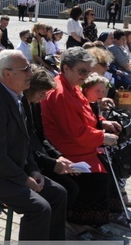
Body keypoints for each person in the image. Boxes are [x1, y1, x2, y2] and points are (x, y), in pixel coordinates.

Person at [0, 50, 68, 245]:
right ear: (7, 74)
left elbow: (24, 141)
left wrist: (33, 170)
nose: (30, 73)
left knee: (59, 193)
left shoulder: (15, 96)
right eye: (26, 69)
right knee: (40, 208)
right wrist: (25, 180)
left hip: (10, 169)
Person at [41, 47, 121, 233]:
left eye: (88, 71)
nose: (86, 76)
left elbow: (87, 115)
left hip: (80, 143)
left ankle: (101, 216)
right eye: (82, 71)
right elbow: (74, 133)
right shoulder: (60, 92)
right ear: (66, 68)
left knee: (110, 167)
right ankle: (77, 221)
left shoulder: (73, 87)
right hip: (66, 149)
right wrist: (102, 136)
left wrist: (103, 123)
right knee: (98, 176)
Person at [23, 66, 80, 214]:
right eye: (42, 93)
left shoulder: (35, 104)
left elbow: (41, 137)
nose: (44, 97)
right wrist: (52, 163)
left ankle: (59, 226)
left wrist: (58, 156)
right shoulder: (21, 105)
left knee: (75, 183)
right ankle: (49, 229)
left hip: (39, 158)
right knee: (63, 190)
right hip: (28, 162)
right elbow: (25, 145)